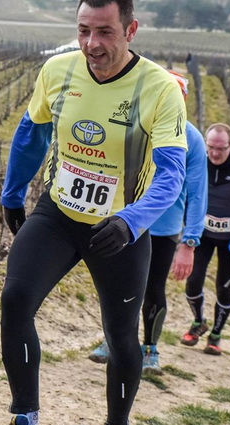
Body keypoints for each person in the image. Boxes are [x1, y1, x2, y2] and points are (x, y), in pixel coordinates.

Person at [0, 0, 187, 425]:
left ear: (130, 31)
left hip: (120, 227)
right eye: (83, 31)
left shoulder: (158, 89)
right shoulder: (58, 70)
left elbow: (171, 175)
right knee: (14, 301)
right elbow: (31, 132)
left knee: (120, 336)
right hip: (58, 214)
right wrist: (13, 192)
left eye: (105, 32)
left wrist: (132, 221)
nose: (92, 43)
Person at [88, 72, 208, 376]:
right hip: (124, 222)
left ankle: (150, 349)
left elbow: (197, 194)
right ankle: (113, 340)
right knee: (117, 286)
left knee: (153, 288)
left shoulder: (191, 138)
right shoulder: (134, 125)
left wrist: (190, 242)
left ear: (183, 100)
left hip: (164, 229)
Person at [181, 123, 230, 356]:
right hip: (203, 235)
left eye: (221, 148)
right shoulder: (198, 162)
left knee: (224, 288)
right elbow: (187, 195)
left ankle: (215, 335)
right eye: (210, 147)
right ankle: (198, 322)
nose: (215, 153)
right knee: (193, 282)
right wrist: (188, 231)